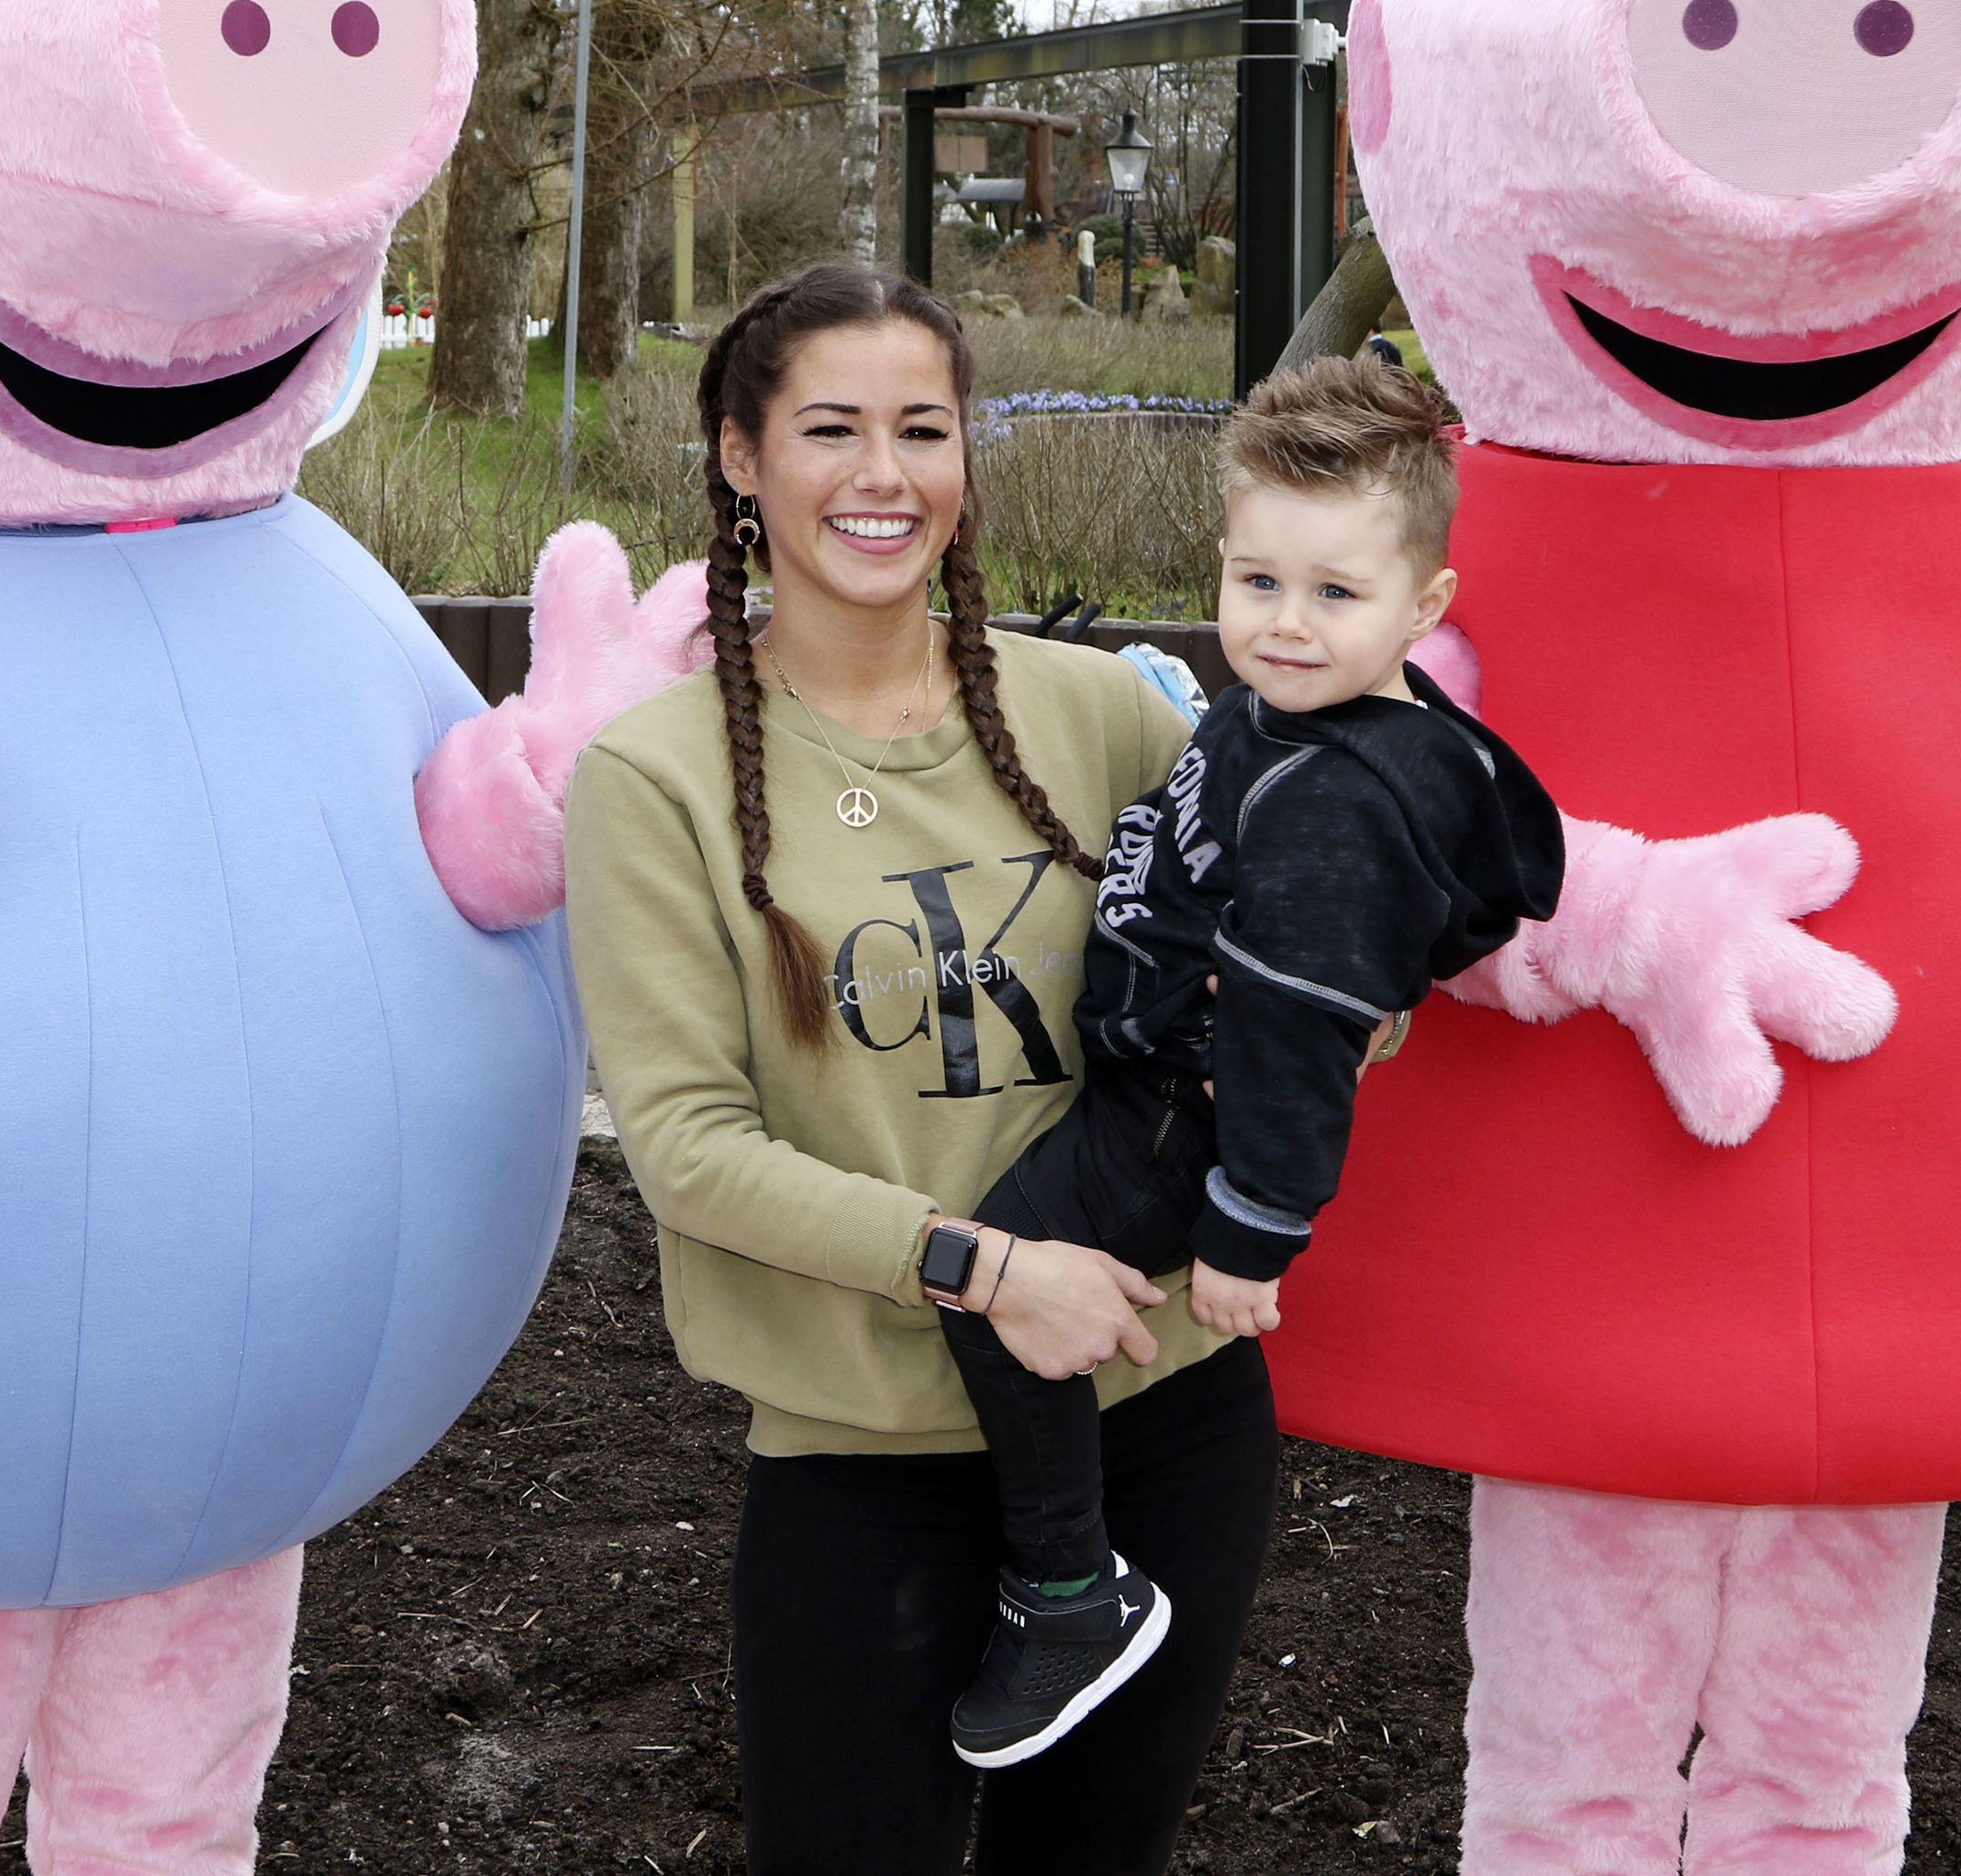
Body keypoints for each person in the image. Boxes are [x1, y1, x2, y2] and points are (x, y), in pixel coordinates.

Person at [567, 262, 1276, 1876]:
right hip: (866, 1459)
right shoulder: (654, 778)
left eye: (923, 430)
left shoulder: (1101, 716)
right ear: (742, 458)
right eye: (831, 429)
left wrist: (1337, 1009)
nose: (883, 478)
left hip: (1161, 1420)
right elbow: (685, 1147)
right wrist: (982, 1268)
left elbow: (1281, 965)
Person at [930, 356, 1564, 1768]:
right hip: (1160, 1078)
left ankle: (1063, 1594)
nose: (1284, 625)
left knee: (990, 1281)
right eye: (1256, 582)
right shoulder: (1305, 720)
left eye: (1335, 595)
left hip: (1180, 1119)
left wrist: (1251, 1232)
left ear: (1426, 607)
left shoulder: (1338, 802)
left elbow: (1297, 1025)